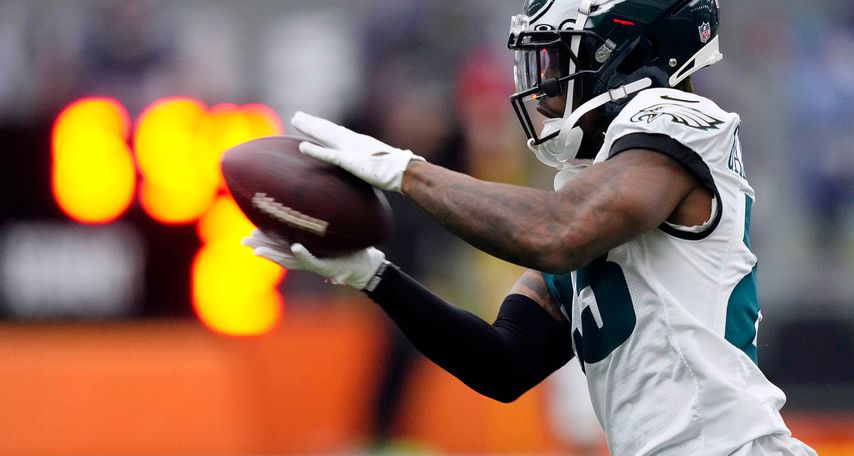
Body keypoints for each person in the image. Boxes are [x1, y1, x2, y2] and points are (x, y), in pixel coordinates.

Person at [244, 1, 817, 454]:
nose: (543, 88)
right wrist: (374, 276)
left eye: (564, 61)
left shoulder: (685, 125)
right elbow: (504, 362)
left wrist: (406, 171)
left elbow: (558, 233)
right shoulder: (591, 191)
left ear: (639, 57)